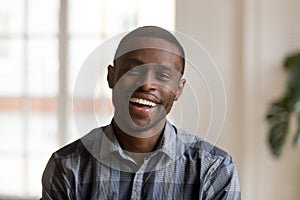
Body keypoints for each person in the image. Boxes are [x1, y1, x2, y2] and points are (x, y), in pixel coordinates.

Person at [41, 26, 241, 199]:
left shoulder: (214, 168)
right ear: (111, 77)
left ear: (179, 89)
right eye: (133, 71)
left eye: (163, 75)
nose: (147, 85)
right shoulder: (67, 166)